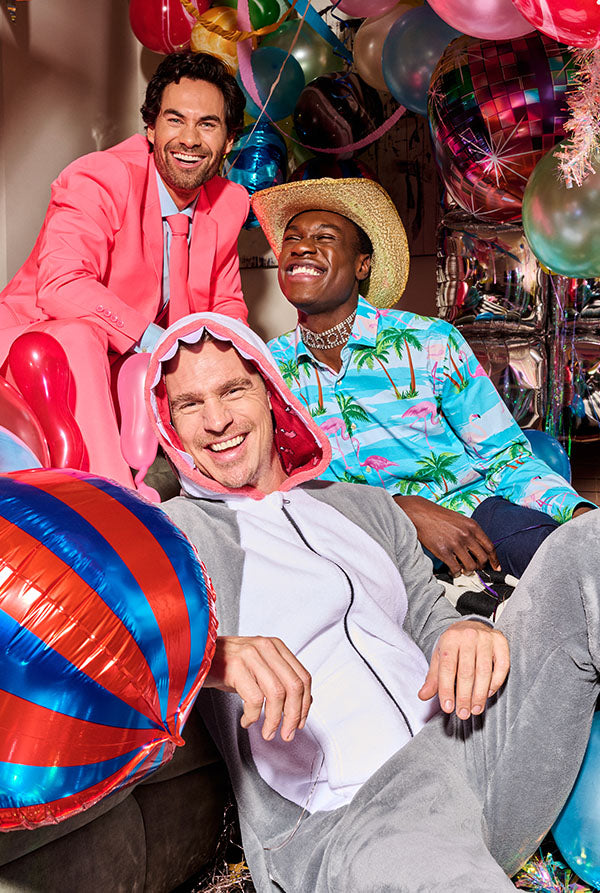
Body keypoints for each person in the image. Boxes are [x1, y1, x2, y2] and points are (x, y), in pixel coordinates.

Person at [147, 311, 600, 892]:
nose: (217, 421)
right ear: (170, 425)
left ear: (270, 393)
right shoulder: (171, 537)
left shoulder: (365, 505)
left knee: (585, 544)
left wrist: (463, 631)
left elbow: (429, 615)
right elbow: (96, 654)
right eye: (190, 404)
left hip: (473, 747)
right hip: (356, 817)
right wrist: (213, 658)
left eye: (233, 390)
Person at [249, 177, 594, 582]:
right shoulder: (266, 370)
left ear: (362, 265)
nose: (301, 247)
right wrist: (399, 509)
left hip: (470, 517)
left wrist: (578, 515)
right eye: (291, 239)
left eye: (324, 237)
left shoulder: (429, 342)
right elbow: (281, 489)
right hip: (355, 546)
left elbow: (504, 456)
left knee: (571, 565)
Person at [0, 52, 249, 486]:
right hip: (35, 348)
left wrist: (239, 370)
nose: (189, 139)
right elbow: (61, 285)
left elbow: (227, 308)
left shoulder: (229, 203)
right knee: (80, 334)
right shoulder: (100, 176)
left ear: (228, 140)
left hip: (125, 365)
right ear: (151, 128)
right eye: (175, 120)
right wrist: (158, 341)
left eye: (207, 124)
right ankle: (113, 497)